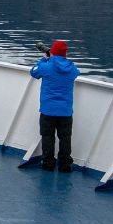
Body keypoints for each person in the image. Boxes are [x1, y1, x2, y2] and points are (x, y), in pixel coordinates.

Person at [30, 40, 79, 172]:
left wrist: (43, 60)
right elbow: (74, 72)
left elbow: (34, 72)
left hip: (48, 110)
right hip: (65, 111)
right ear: (65, 53)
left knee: (47, 137)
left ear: (52, 52)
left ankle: (48, 163)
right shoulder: (72, 69)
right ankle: (65, 165)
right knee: (65, 138)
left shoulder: (46, 67)